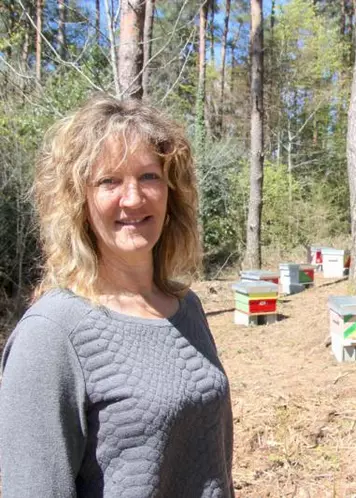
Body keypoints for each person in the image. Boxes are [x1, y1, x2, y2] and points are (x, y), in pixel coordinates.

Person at [0, 96, 234, 497]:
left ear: (170, 190)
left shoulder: (186, 307)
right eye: (109, 180)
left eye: (148, 177)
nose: (133, 198)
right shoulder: (52, 335)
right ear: (79, 199)